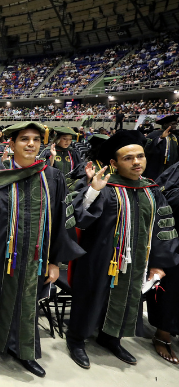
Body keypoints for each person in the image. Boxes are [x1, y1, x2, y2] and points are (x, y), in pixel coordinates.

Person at [0, 121, 84, 379]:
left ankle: (23, 350)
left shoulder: (52, 177)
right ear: (11, 143)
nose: (31, 144)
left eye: (36, 140)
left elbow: (61, 220)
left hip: (34, 257)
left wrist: (54, 261)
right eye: (24, 139)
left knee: (26, 304)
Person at [66, 130, 179, 370]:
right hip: (98, 258)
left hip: (137, 261)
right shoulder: (105, 187)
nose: (136, 162)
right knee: (90, 298)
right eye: (128, 158)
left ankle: (111, 338)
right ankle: (76, 339)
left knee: (127, 300)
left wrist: (158, 264)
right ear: (114, 163)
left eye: (140, 156)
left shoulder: (152, 191)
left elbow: (163, 227)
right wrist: (93, 190)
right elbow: (79, 220)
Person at [149, 161, 179, 364]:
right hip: (174, 238)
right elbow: (161, 198)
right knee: (172, 288)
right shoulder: (176, 170)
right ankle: (163, 332)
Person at [144, 114, 178, 180]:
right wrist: (161, 138)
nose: (175, 126)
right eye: (173, 124)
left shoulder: (175, 136)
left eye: (176, 124)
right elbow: (146, 146)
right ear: (165, 124)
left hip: (171, 167)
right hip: (156, 167)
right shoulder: (155, 134)